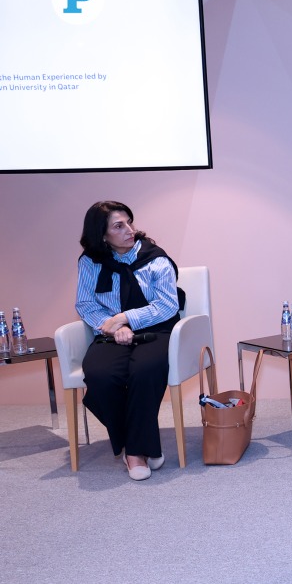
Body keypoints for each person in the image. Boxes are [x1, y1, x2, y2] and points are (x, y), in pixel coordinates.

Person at [75, 201, 183, 481]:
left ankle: (135, 452)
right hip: (111, 333)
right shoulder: (90, 261)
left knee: (145, 371)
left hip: (156, 330)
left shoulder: (155, 258)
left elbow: (167, 305)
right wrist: (111, 328)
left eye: (130, 223)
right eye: (119, 226)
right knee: (100, 376)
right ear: (102, 235)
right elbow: (85, 303)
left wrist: (125, 318)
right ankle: (139, 439)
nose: (130, 230)